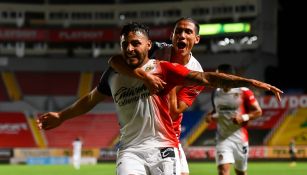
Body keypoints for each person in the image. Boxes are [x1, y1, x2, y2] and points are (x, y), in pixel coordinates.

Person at [37, 22, 282, 175]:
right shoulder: (114, 70)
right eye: (125, 44)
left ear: (148, 45)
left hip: (165, 145)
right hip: (130, 150)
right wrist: (61, 115)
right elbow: (91, 98)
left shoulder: (166, 69)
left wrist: (251, 82)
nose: (129, 49)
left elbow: (208, 80)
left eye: (135, 44)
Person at [109, 17, 204, 175]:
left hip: (168, 136)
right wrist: (145, 77)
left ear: (196, 39)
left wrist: (169, 75)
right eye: (178, 31)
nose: (182, 35)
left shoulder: (196, 72)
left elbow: (174, 111)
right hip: (139, 135)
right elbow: (115, 62)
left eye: (188, 32)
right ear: (171, 36)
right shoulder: (157, 50)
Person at [205, 64, 263, 175]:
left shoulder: (244, 92)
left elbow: (258, 112)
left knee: (240, 172)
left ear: (228, 76)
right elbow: (215, 112)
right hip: (222, 139)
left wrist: (244, 117)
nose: (216, 78)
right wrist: (210, 117)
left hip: (240, 139)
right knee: (223, 171)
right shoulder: (216, 93)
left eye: (218, 75)